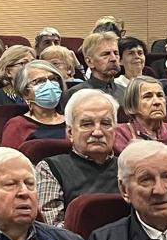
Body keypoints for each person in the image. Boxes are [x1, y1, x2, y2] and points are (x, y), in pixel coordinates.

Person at [35, 90, 119, 226]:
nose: (98, 132)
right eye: (87, 124)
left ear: (115, 131)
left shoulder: (129, 168)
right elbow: (52, 228)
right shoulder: (50, 168)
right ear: (70, 132)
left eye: (105, 123)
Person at [111, 75, 167, 152]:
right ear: (133, 104)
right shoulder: (119, 134)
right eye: (147, 96)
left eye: (160, 96)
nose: (157, 102)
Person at [1, 59, 68, 148]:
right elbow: (9, 156)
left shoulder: (72, 121)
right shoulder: (17, 126)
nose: (49, 85)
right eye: (39, 81)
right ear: (25, 93)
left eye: (53, 79)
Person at [0, 45, 35, 112]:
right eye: (23, 63)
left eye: (33, 62)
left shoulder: (42, 93)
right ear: (8, 72)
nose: (31, 67)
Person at [73, 32, 122, 101]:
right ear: (89, 62)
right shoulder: (76, 94)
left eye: (116, 53)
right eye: (106, 54)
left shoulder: (127, 93)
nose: (113, 58)